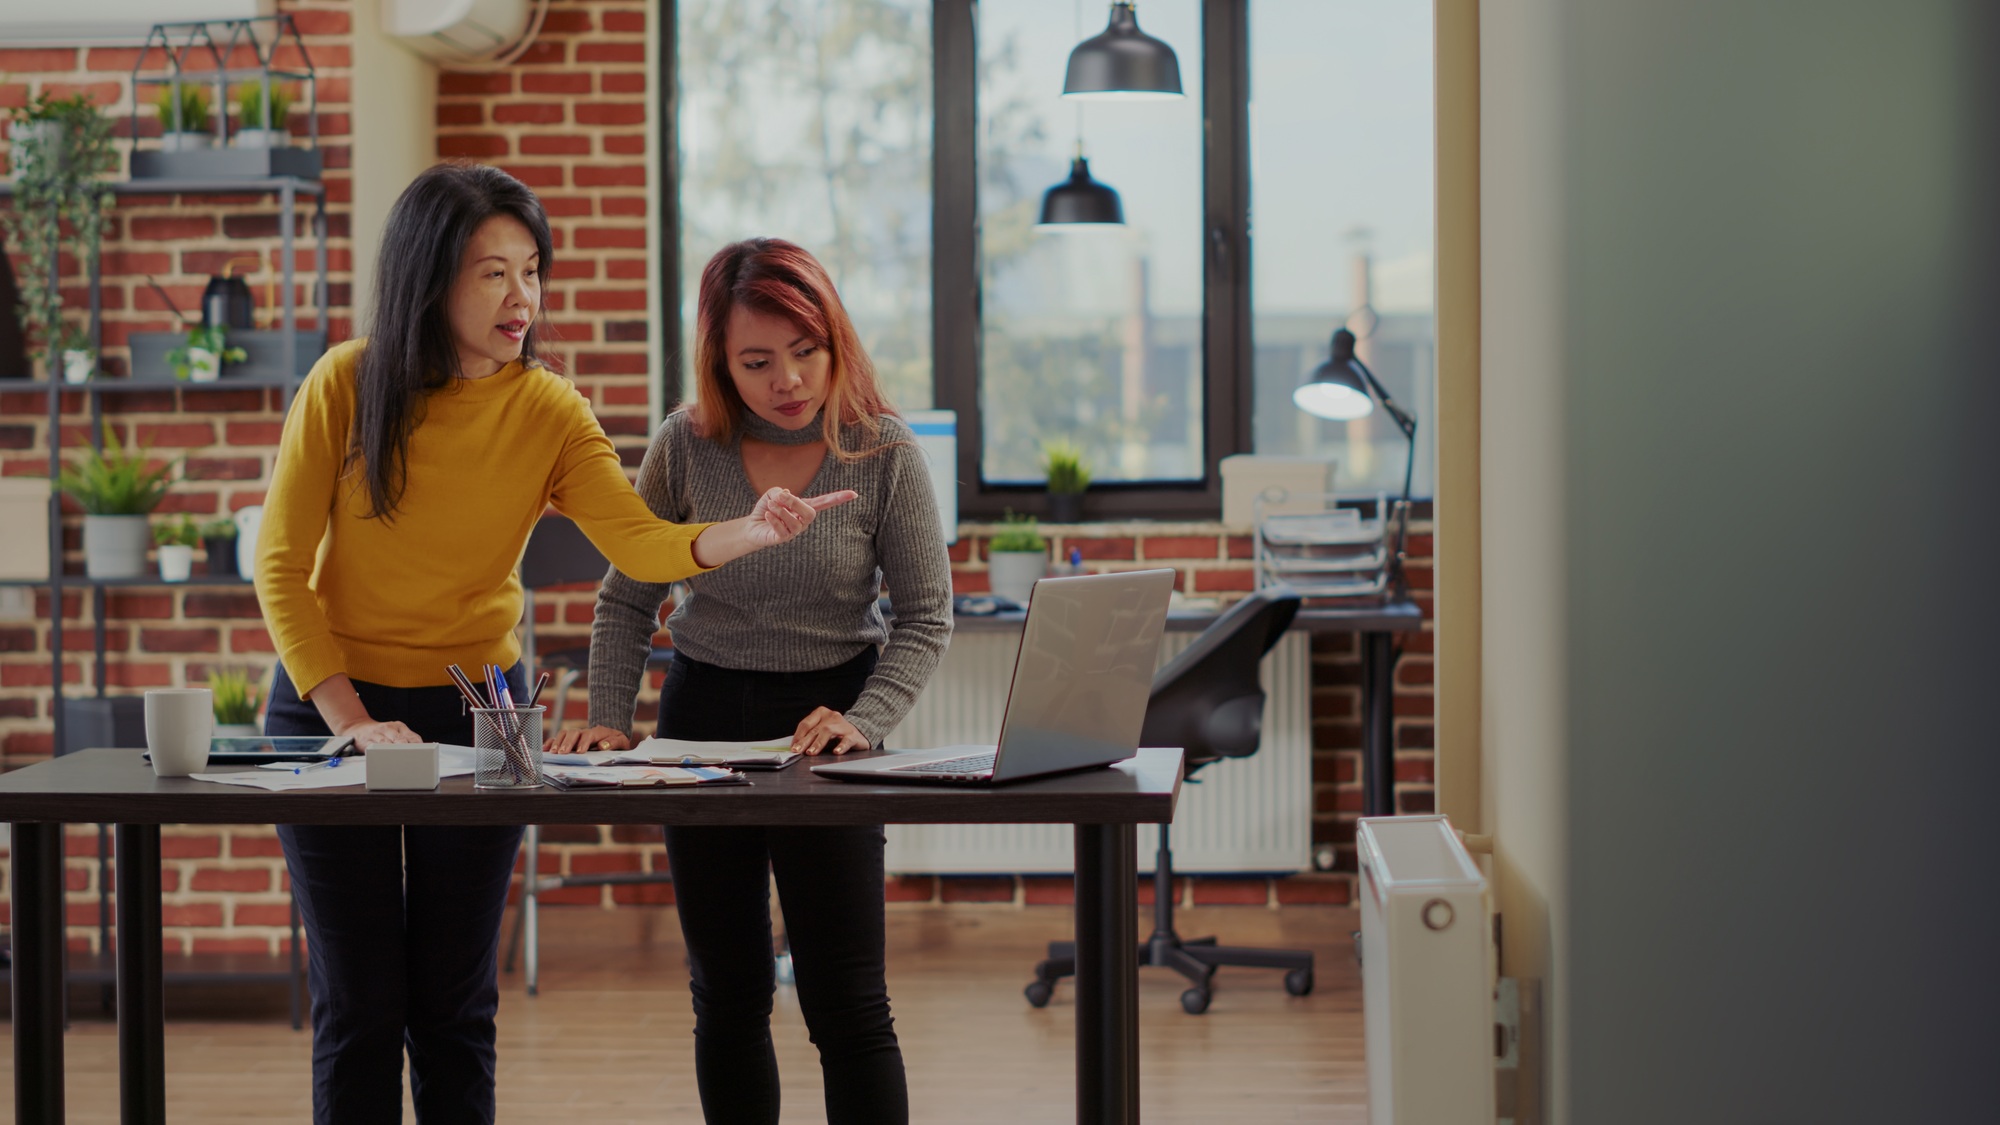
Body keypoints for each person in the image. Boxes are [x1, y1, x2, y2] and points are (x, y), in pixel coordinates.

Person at [254, 167, 853, 1125]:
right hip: (334, 707)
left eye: (530, 270)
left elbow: (641, 542)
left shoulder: (549, 410)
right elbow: (279, 568)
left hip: (483, 706)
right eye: (492, 273)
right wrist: (355, 722)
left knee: (454, 1004)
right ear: (429, 279)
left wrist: (749, 530)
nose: (522, 297)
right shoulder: (347, 383)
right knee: (361, 1004)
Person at [548, 238, 953, 1124]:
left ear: (834, 338)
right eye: (757, 361)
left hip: (830, 725)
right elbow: (626, 599)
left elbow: (926, 614)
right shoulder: (686, 446)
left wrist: (865, 718)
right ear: (720, 363)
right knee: (727, 993)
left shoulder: (882, 449)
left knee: (847, 999)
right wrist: (610, 720)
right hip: (704, 720)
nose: (789, 380)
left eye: (805, 351)